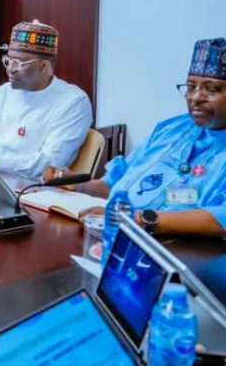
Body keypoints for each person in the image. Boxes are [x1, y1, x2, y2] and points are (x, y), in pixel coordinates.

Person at [44, 38, 226, 238]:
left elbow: (221, 218)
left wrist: (137, 219)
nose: (195, 98)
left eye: (211, 89)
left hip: (181, 250)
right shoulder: (170, 129)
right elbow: (120, 183)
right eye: (191, 87)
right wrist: (79, 185)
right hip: (118, 236)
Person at [0, 20, 92, 179]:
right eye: (8, 60)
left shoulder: (73, 102)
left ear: (43, 66)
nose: (10, 69)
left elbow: (50, 162)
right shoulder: (4, 91)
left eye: (19, 63)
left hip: (27, 186)